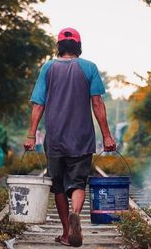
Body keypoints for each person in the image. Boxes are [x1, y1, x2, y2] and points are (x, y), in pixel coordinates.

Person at [24, 27, 116, 247]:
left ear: (59, 46)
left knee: (58, 187)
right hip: (82, 137)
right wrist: (107, 136)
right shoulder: (89, 68)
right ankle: (76, 213)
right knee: (77, 183)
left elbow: (39, 105)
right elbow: (97, 103)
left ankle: (66, 233)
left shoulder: (47, 68)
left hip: (55, 138)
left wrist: (30, 135)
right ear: (78, 46)